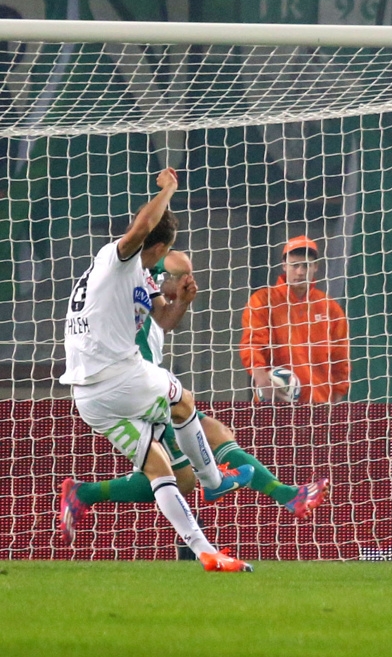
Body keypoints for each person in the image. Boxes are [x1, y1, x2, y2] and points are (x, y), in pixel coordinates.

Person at [57, 167, 253, 572]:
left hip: (89, 398)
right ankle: (215, 482)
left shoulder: (139, 276)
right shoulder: (116, 258)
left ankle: (206, 553)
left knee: (158, 469)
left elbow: (162, 320)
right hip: (116, 376)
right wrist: (169, 189)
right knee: (184, 402)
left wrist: (181, 301)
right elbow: (144, 225)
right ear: (159, 246)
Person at [61, 250, 328, 539]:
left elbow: (165, 317)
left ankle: (83, 493)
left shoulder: (132, 281)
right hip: (135, 385)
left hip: (141, 382)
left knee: (184, 478)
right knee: (211, 437)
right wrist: (177, 268)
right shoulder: (136, 267)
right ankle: (285, 495)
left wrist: (178, 292)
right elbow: (177, 262)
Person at [240, 235, 350, 404]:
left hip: (318, 405)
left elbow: (340, 360)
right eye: (295, 265)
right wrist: (262, 381)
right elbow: (253, 344)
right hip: (274, 402)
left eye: (306, 265)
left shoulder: (330, 308)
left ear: (315, 267)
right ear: (284, 266)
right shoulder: (262, 300)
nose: (300, 272)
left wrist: (334, 402)